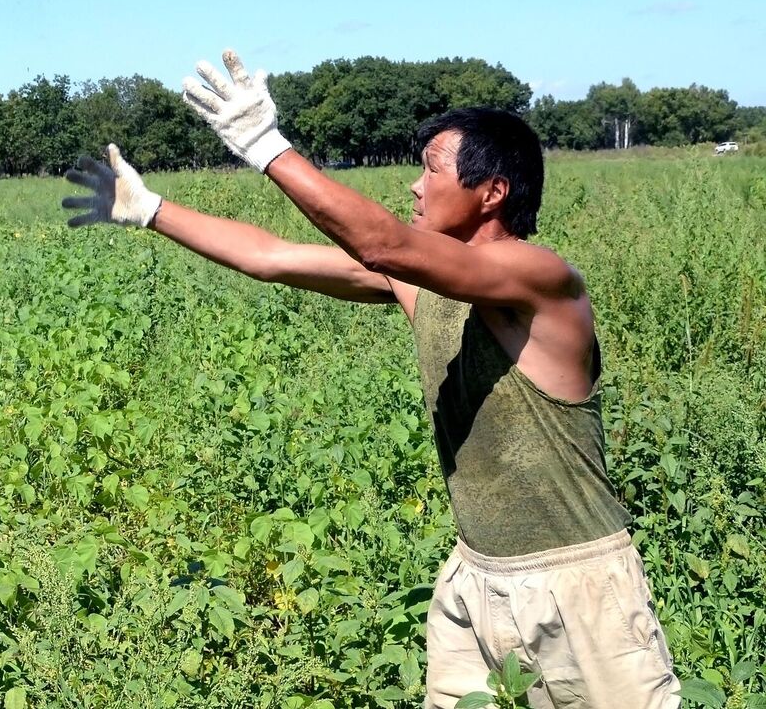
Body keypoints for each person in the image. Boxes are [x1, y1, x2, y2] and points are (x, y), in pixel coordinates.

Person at [62, 48, 681, 709]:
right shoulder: (415, 283)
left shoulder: (540, 279)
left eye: (431, 169)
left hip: (576, 586)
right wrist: (152, 208)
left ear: (492, 192)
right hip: (475, 578)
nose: (415, 186)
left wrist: (264, 144)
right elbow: (271, 257)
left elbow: (383, 242)